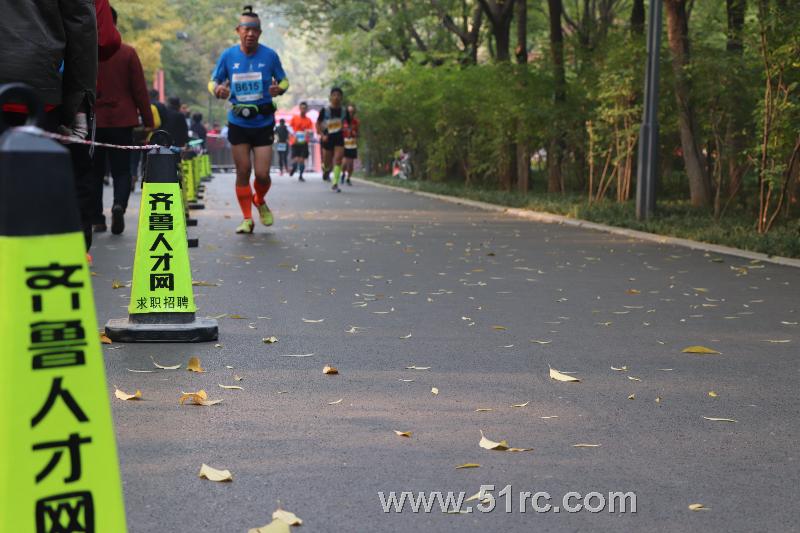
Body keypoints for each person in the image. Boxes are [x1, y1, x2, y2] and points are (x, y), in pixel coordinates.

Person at [0, 0, 120, 251]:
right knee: (43, 187)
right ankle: (61, 254)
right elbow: (87, 28)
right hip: (34, 79)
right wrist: (78, 102)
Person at [209, 5, 288, 234]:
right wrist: (217, 90)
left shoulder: (270, 55)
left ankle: (259, 199)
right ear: (238, 30)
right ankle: (246, 219)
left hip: (263, 121)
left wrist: (279, 89)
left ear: (260, 33)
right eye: (246, 28)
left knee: (262, 174)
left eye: (255, 29)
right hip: (238, 121)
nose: (250, 33)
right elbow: (213, 81)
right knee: (243, 170)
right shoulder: (228, 56)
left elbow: (284, 81)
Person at [91, 7, 154, 235]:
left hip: (94, 121)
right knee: (121, 170)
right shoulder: (127, 53)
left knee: (94, 171)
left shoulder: (87, 52)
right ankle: (119, 204)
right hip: (122, 120)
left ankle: (97, 218)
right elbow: (140, 90)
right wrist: (148, 120)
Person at [317, 87, 350, 192]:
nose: (336, 97)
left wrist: (348, 131)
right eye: (334, 95)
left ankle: (335, 183)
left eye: (338, 95)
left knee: (338, 159)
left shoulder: (344, 111)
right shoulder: (325, 110)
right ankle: (326, 171)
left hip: (339, 137)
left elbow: (348, 124)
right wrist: (322, 135)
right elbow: (317, 123)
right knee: (327, 163)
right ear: (330, 97)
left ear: (341, 97)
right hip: (327, 138)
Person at [289, 101, 314, 182]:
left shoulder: (309, 120)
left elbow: (311, 131)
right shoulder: (295, 118)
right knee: (296, 159)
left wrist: (308, 131)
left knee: (302, 159)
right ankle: (294, 168)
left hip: (304, 142)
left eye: (305, 108)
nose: (303, 110)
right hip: (295, 141)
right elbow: (289, 128)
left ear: (307, 109)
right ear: (299, 108)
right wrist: (293, 134)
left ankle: (301, 175)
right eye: (302, 108)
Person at [342, 103, 360, 186]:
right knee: (345, 162)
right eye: (349, 112)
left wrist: (355, 134)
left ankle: (348, 178)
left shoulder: (356, 121)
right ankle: (343, 174)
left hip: (352, 143)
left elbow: (358, 133)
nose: (350, 113)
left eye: (352, 112)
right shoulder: (343, 121)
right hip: (344, 143)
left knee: (351, 163)